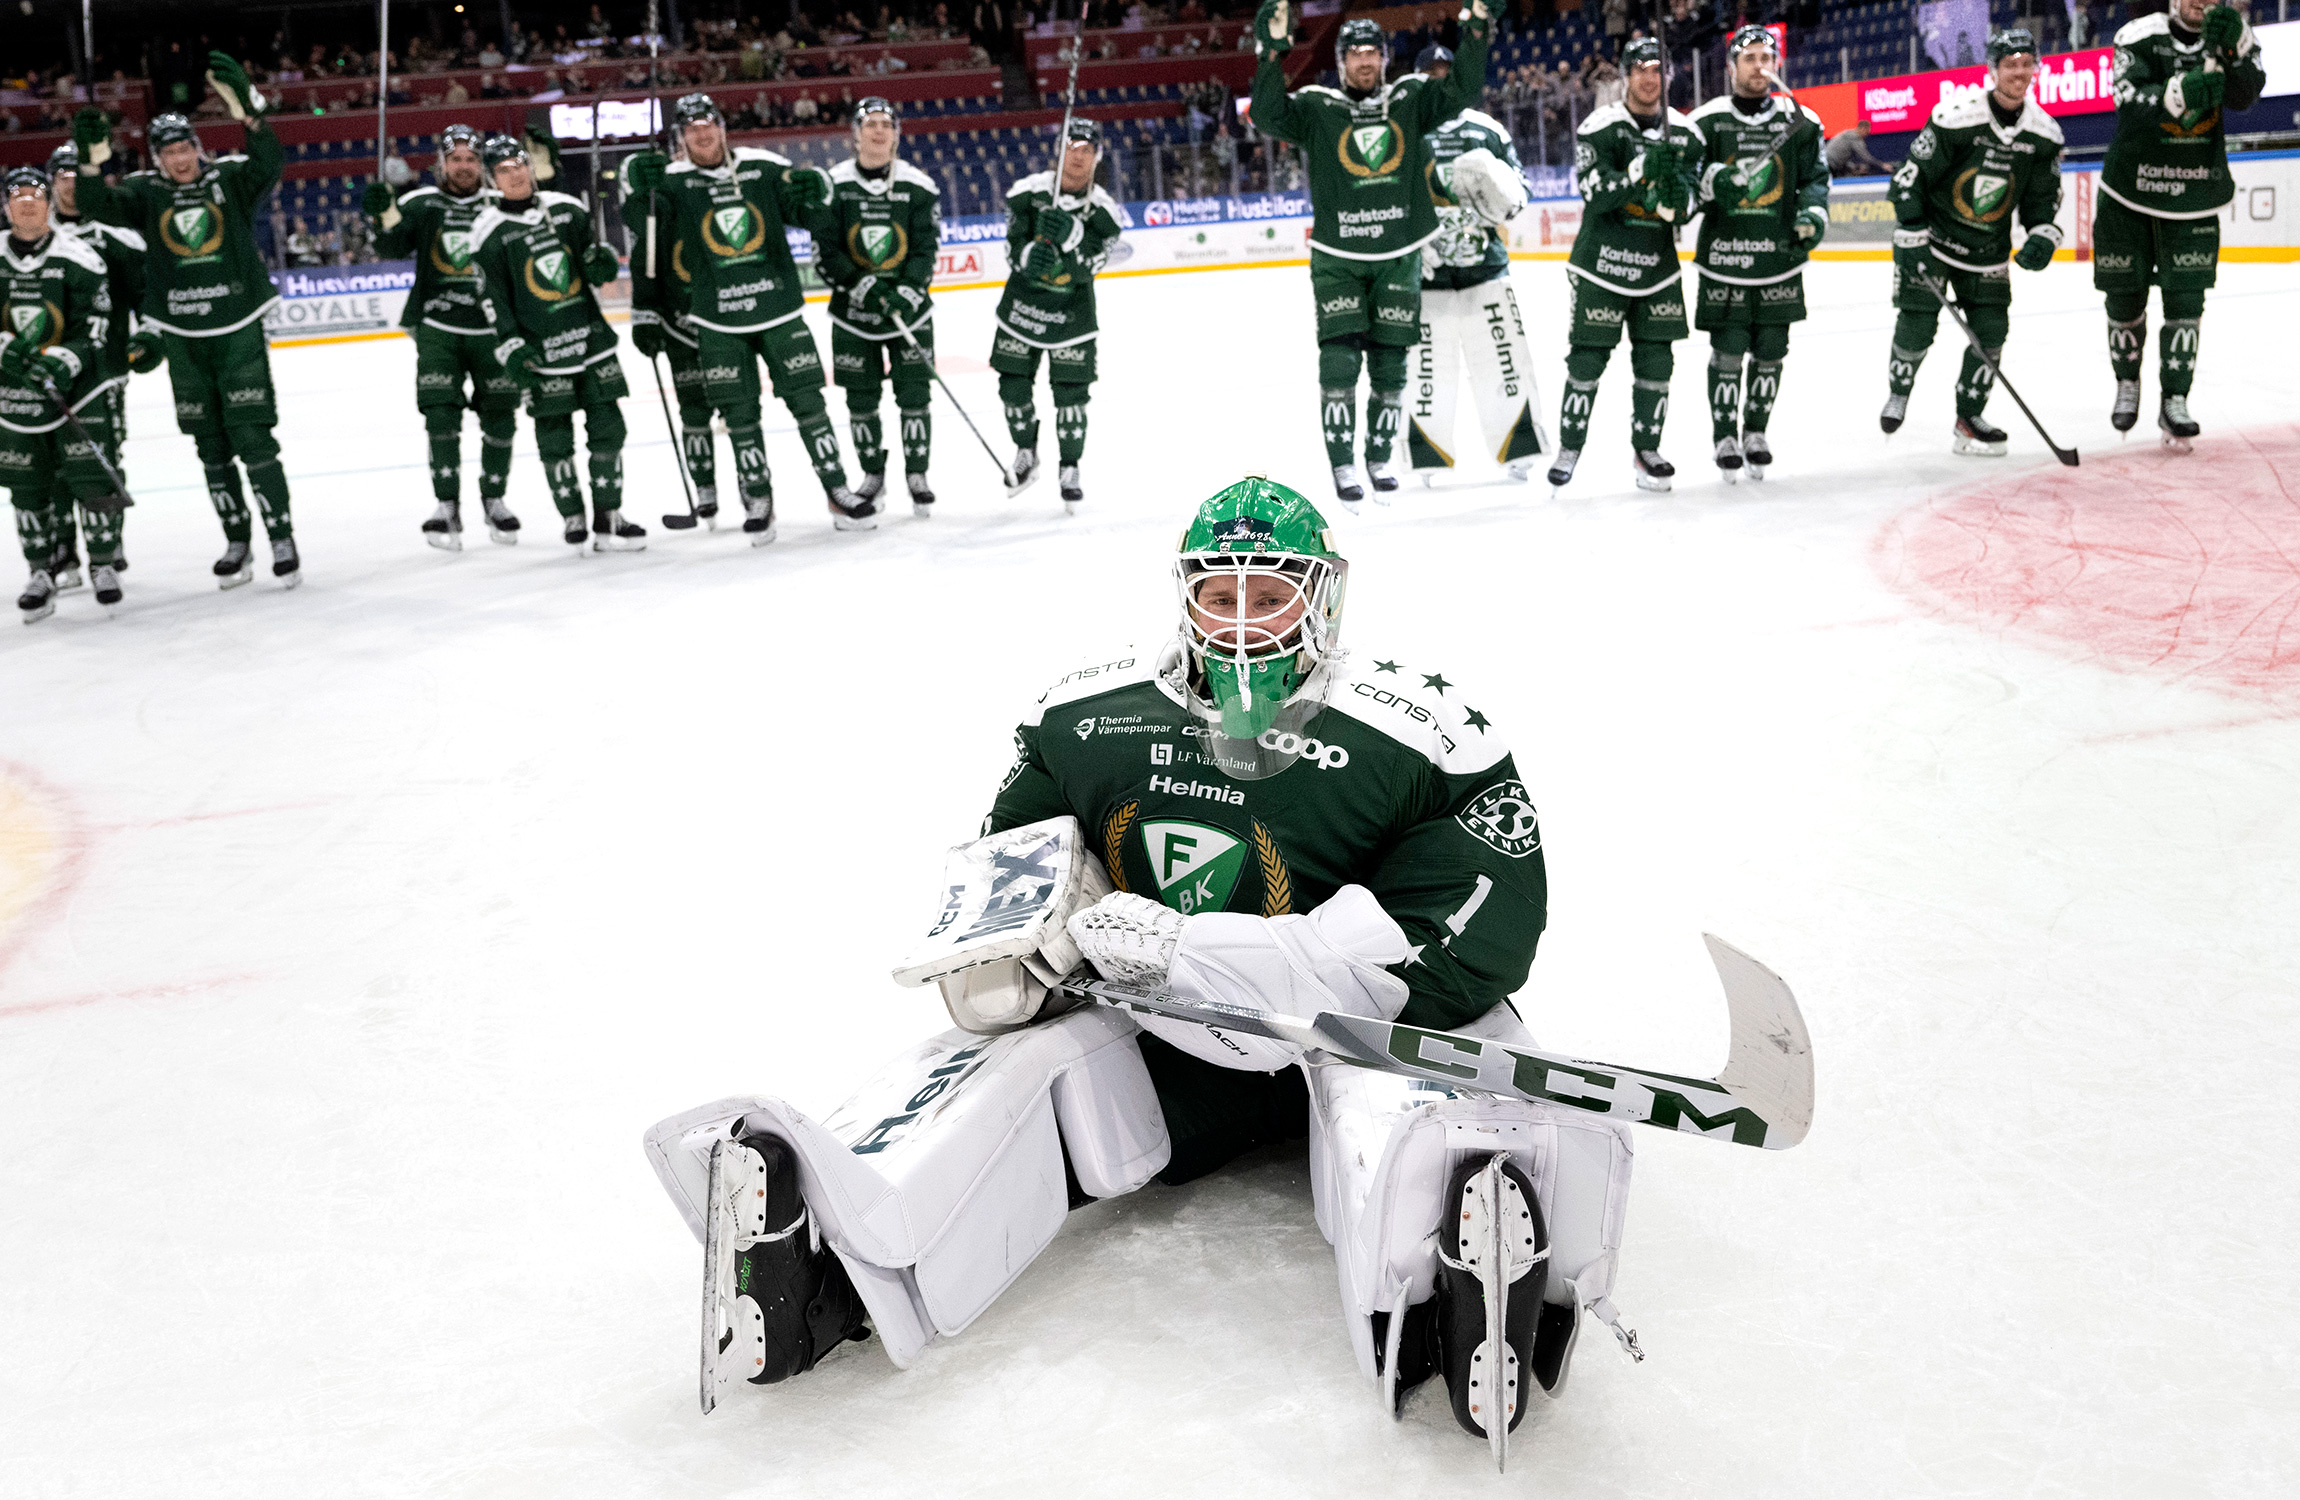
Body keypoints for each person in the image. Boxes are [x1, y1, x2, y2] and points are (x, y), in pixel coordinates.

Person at [642, 477, 1636, 1453]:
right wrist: (1034, 948)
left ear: (1321, 596)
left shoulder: (1418, 733)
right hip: (1165, 1027)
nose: (1241, 620)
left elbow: (1467, 944)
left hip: (1347, 1027)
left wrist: (1206, 949)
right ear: (1184, 594)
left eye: (1269, 592)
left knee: (1421, 1092)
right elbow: (1009, 890)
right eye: (1219, 592)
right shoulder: (1085, 717)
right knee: (1007, 1069)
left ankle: (1453, 1283)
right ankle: (831, 1263)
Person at [72, 54, 303, 590]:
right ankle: (237, 539)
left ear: (198, 148)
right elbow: (93, 203)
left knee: (253, 437)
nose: (180, 159)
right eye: (169, 151)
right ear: (157, 158)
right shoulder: (145, 194)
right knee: (211, 445)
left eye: (185, 148)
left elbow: (269, 162)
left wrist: (250, 113)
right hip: (182, 337)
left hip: (237, 327)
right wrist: (90, 158)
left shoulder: (229, 180)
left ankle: (282, 535)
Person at [1250, 1, 1492, 508]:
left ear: (1385, 58)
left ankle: (1378, 457)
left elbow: (1463, 91)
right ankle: (1342, 464)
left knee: (1389, 365)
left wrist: (1475, 36)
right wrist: (1269, 57)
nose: (1364, 62)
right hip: (1338, 256)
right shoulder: (1317, 107)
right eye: (1354, 54)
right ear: (1340, 62)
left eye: (1372, 53)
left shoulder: (1412, 97)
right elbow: (1268, 116)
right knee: (1338, 363)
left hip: (1397, 253)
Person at [624, 94, 867, 536]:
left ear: (721, 126)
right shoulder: (672, 181)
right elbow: (646, 230)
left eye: (708, 123)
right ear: (681, 135)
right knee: (739, 415)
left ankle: (837, 489)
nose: (702, 133)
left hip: (778, 309)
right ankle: (758, 499)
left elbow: (810, 215)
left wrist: (818, 194)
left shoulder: (763, 166)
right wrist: (635, 186)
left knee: (810, 403)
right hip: (717, 321)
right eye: (692, 127)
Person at [1880, 28, 2063, 455]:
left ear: (2035, 68)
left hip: (1988, 251)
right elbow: (1910, 178)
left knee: (1992, 332)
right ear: (1993, 70)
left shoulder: (2045, 133)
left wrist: (2042, 234)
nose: (2018, 72)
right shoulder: (1956, 117)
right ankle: (1899, 391)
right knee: (1918, 324)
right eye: (2009, 64)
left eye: (2025, 63)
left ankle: (1969, 417)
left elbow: (2042, 198)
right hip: (1936, 239)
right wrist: (1911, 230)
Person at [2094, 0, 2265, 450]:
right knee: (2124, 296)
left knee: (2186, 302)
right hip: (2129, 192)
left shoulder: (2233, 33)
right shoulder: (2137, 35)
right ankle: (2127, 382)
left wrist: (2238, 51)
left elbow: (2247, 95)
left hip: (2194, 190)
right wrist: (2179, 93)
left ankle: (2175, 399)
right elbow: (2127, 102)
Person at [468, 132, 645, 553]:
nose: (515, 176)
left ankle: (609, 516)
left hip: (591, 341)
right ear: (492, 179)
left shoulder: (568, 211)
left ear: (532, 168)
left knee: (609, 430)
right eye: (504, 171)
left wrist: (602, 264)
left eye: (520, 166)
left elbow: (592, 267)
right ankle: (573, 516)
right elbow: (493, 299)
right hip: (541, 355)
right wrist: (510, 346)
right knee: (554, 439)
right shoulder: (488, 233)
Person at [1547, 35, 1702, 494]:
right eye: (1640, 70)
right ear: (1625, 75)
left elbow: (1691, 203)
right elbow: (1594, 195)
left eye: (1657, 70)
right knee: (1587, 361)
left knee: (1657, 364)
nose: (1649, 79)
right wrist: (1640, 171)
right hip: (1601, 267)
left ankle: (1646, 449)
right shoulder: (1601, 126)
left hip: (1657, 270)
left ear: (1667, 76)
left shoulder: (1686, 133)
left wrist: (1677, 201)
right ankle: (1569, 448)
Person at [362, 122, 524, 550]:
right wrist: (381, 213)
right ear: (442, 163)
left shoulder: (501, 203)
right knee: (440, 419)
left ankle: (494, 499)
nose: (465, 167)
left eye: (472, 159)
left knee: (501, 418)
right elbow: (390, 247)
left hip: (494, 330)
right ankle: (446, 506)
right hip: (439, 328)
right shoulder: (421, 204)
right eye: (457, 159)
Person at [1686, 26, 1828, 481]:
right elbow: (1688, 185)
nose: (1758, 65)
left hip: (1779, 257)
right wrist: (1713, 182)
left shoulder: (1800, 121)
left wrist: (1813, 215)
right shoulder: (1706, 122)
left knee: (1771, 351)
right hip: (1725, 258)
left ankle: (1756, 432)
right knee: (1727, 352)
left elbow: (1815, 181)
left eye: (1766, 56)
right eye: (1748, 57)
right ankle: (1724, 435)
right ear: (1731, 67)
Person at [2, 165, 127, 621]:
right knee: (27, 487)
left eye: (36, 194)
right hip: (13, 396)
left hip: (80, 390)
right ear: (7, 206)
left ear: (49, 204)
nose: (28, 202)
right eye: (18, 196)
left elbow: (95, 323)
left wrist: (64, 359)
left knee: (91, 478)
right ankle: (40, 571)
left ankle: (103, 564)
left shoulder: (78, 255)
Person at [808, 97, 942, 516]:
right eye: (871, 124)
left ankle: (917, 475)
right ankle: (872, 474)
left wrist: (904, 291)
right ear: (856, 133)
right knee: (860, 401)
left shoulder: (918, 185)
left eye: (887, 124)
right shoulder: (834, 184)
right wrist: (865, 287)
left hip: (910, 312)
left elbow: (925, 249)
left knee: (915, 397)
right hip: (853, 315)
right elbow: (825, 253)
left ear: (897, 134)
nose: (879, 131)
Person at [1404, 106, 1549, 483]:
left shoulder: (1487, 129)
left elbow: (1521, 190)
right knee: (1428, 370)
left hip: (1486, 268)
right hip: (1428, 275)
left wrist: (1499, 196)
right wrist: (1414, 242)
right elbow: (1389, 197)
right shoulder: (1409, 125)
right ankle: (1427, 456)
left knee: (1505, 360)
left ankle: (1519, 449)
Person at [992, 117, 1123, 511]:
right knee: (1012, 389)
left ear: (1097, 158)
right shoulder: (1029, 194)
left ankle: (1070, 467)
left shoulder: (1103, 212)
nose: (1078, 157)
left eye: (1087, 150)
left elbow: (1091, 266)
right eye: (1072, 147)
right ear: (1059, 151)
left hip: (1072, 318)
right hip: (1021, 311)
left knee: (1071, 399)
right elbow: (1011, 247)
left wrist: (1072, 236)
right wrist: (1030, 255)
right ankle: (1025, 452)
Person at [45, 141, 147, 596]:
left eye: (75, 175)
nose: (70, 184)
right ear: (51, 183)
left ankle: (109, 543)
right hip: (43, 374)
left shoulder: (114, 234)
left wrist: (151, 335)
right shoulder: (29, 236)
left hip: (105, 369)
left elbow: (143, 294)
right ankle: (63, 548)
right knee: (52, 464)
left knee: (105, 457)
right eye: (61, 177)